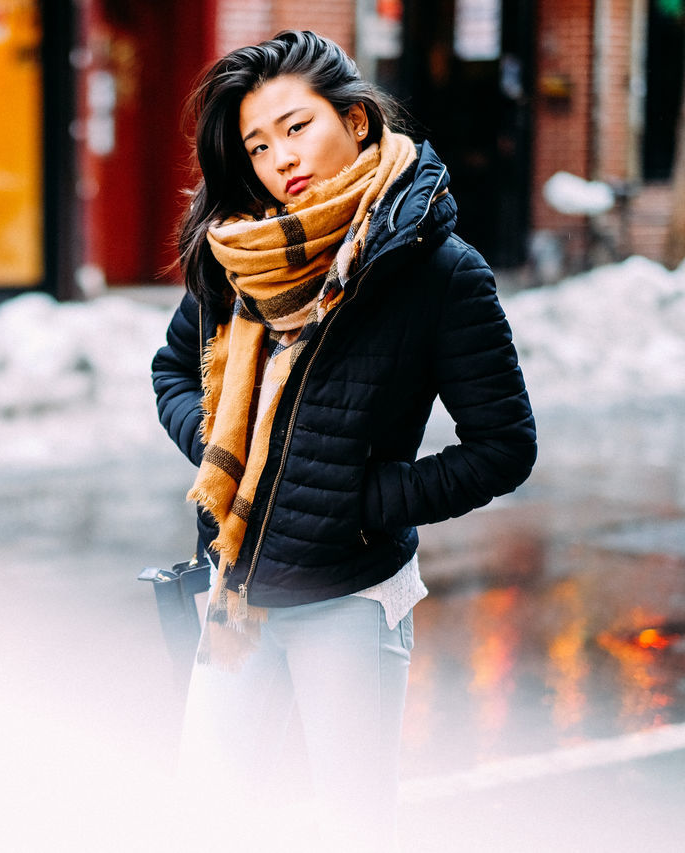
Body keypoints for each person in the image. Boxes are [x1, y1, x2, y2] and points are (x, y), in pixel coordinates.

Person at [150, 30, 536, 850]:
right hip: (236, 593)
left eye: (297, 127)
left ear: (355, 121)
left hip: (350, 601)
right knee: (207, 819)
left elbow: (504, 444)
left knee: (353, 829)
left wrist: (367, 500)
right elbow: (173, 372)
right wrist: (226, 445)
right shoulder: (243, 251)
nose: (279, 158)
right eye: (258, 144)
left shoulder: (437, 269)